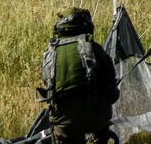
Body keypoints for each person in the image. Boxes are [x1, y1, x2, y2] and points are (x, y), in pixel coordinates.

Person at [38, 9, 120, 144]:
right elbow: (112, 87)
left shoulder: (50, 53)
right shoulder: (93, 48)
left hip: (65, 123)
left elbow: (49, 88)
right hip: (97, 118)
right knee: (101, 127)